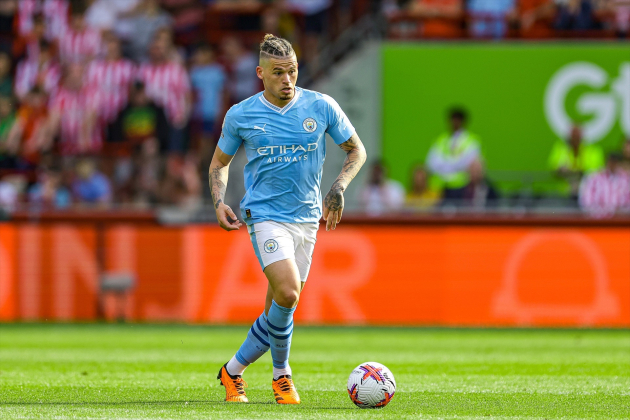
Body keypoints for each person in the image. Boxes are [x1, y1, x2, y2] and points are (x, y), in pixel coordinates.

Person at [209, 34, 366, 404]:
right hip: (265, 216)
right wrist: (218, 202)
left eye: (292, 71)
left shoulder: (321, 106)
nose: (287, 80)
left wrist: (339, 187)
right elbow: (219, 163)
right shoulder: (242, 114)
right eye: (278, 73)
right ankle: (283, 376)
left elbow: (356, 150)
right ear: (261, 73)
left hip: (307, 219)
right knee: (289, 291)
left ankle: (232, 372)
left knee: (280, 309)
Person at [137, 37, 191, 152]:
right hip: (151, 119)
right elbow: (138, 93)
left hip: (174, 118)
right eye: (155, 48)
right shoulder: (144, 69)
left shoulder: (176, 69)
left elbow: (187, 93)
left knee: (173, 153)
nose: (158, 51)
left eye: (161, 48)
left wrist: (185, 115)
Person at [426, 107, 482, 203]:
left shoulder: (472, 142)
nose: (455, 122)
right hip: (439, 187)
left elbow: (468, 164)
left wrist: (445, 164)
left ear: (464, 122)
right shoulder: (441, 140)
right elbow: (431, 163)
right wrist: (454, 163)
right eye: (453, 119)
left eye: (458, 119)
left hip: (461, 187)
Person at [85, 34, 136, 125]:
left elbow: (132, 90)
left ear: (119, 49)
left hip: (121, 113)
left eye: (115, 48)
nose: (112, 51)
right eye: (109, 47)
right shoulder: (94, 67)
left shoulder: (128, 67)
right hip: (97, 113)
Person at [548, 125, 605, 199]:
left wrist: (574, 172)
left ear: (582, 136)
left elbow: (596, 170)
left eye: (577, 135)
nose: (575, 138)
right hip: (564, 194)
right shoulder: (561, 148)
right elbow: (553, 167)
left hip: (588, 193)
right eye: (573, 135)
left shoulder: (593, 150)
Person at [190, 43, 227, 148]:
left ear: (208, 54)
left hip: (212, 112)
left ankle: (207, 163)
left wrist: (222, 111)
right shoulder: (194, 72)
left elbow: (224, 92)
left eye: (200, 54)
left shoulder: (218, 71)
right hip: (197, 113)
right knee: (198, 140)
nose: (197, 57)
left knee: (209, 139)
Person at [579, 153, 630, 217]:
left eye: (615, 162)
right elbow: (587, 203)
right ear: (607, 162)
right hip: (598, 221)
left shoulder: (627, 179)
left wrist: (619, 212)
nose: (613, 164)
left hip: (622, 222)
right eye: (611, 161)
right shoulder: (594, 178)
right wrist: (606, 212)